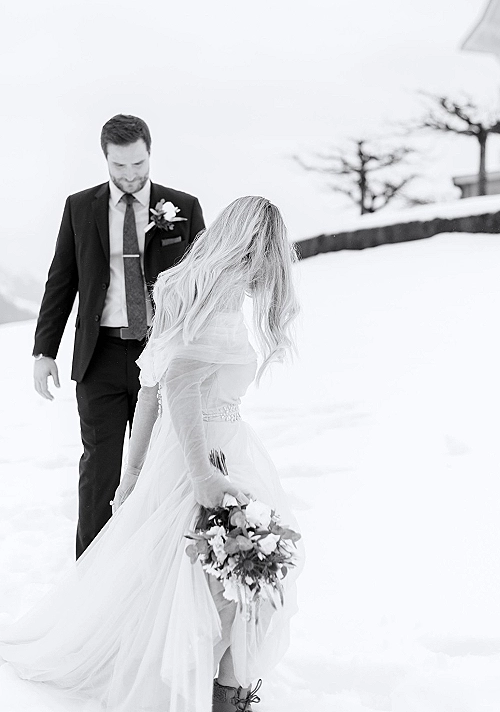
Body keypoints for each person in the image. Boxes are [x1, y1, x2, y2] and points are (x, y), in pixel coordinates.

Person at [1, 196, 303, 712]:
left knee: (199, 580)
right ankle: (220, 697)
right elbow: (180, 384)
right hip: (208, 455)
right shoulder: (223, 295)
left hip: (181, 452)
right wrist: (203, 473)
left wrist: (134, 471)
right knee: (241, 583)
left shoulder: (182, 286)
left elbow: (150, 391)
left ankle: (213, 690)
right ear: (261, 247)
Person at [32, 114, 205, 557]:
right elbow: (61, 279)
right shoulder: (80, 207)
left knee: (163, 468)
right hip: (101, 355)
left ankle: (157, 572)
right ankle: (90, 578)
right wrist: (43, 351)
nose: (130, 176)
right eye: (119, 167)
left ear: (150, 152)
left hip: (163, 355)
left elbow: (204, 284)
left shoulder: (183, 207)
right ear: (105, 158)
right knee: (100, 471)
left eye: (138, 165)